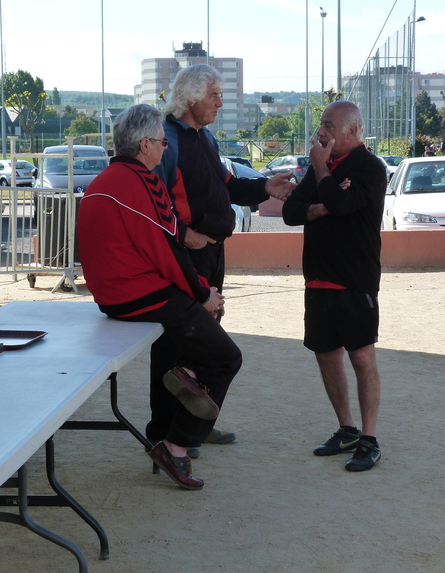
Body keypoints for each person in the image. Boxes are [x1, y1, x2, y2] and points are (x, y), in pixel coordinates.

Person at [77, 103, 242, 490]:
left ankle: (185, 381)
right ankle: (177, 445)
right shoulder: (141, 182)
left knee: (193, 347)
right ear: (146, 144)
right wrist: (204, 294)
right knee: (226, 357)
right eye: (163, 143)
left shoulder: (105, 180)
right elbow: (168, 250)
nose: (167, 149)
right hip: (138, 295)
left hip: (115, 295)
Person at [150, 64, 295, 455]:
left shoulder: (205, 138)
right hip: (187, 255)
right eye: (214, 95)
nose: (220, 102)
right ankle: (164, 431)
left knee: (203, 341)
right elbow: (152, 201)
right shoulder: (167, 140)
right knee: (177, 343)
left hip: (213, 251)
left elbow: (227, 185)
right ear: (192, 98)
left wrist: (266, 186)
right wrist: (183, 235)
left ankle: (194, 424)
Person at [281, 101, 387, 472]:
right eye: (321, 125)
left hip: (355, 279)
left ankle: (370, 440)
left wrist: (323, 179)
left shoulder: (370, 168)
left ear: (353, 131)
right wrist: (321, 205)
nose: (321, 132)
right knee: (326, 354)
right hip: (318, 279)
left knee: (361, 358)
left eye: (329, 125)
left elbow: (343, 203)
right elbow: (291, 213)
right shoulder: (322, 169)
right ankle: (347, 429)